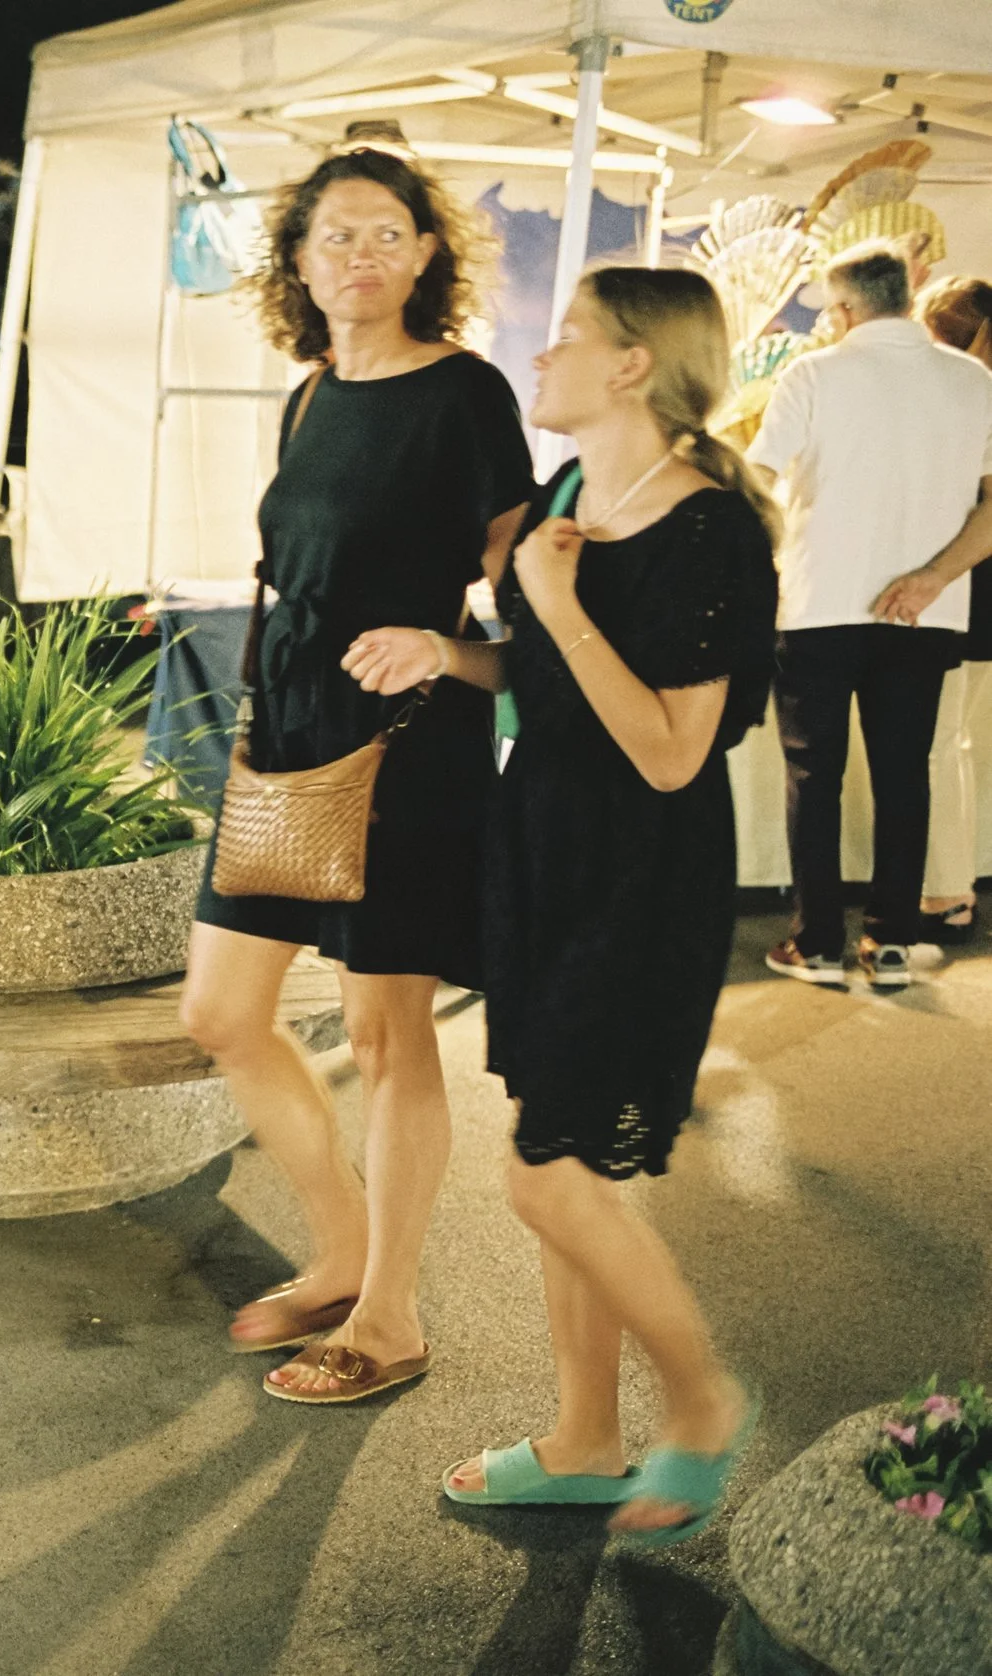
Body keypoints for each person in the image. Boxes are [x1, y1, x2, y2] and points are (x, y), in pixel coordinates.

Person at [358, 266, 776, 1540]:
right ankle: (585, 1438)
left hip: (640, 875)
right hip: (538, 851)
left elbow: (669, 752)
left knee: (545, 1178)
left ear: (633, 364)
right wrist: (448, 652)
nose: (539, 358)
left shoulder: (708, 531)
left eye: (568, 338)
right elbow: (538, 675)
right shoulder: (566, 494)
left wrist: (552, 599)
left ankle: (702, 1399)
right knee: (570, 1159)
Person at [179, 144, 533, 1405]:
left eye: (387, 233)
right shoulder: (311, 394)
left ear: (427, 253)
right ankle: (339, 1248)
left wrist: (452, 650)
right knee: (221, 1012)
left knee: (386, 1035)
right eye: (337, 235)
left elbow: (532, 599)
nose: (361, 255)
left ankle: (389, 1312)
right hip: (288, 737)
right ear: (298, 259)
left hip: (406, 745)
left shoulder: (465, 394)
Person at [749, 245, 992, 989]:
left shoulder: (813, 373)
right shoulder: (973, 380)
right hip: (924, 613)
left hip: (819, 602)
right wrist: (931, 578)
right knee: (904, 775)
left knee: (813, 776)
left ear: (846, 308)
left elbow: (757, 476)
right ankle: (890, 944)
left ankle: (817, 943)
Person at [915, 276, 992, 942]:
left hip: (964, 583)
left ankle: (947, 893)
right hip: (978, 583)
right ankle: (957, 880)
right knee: (961, 742)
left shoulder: (967, 399)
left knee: (939, 744)